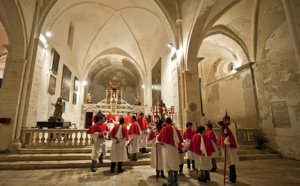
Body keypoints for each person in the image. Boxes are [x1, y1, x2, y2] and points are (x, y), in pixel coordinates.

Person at [158, 117, 183, 186]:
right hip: (175, 149)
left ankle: (170, 182)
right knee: (175, 164)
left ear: (166, 121)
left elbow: (159, 138)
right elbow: (180, 140)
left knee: (169, 164)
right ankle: (176, 181)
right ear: (171, 121)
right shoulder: (176, 129)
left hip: (168, 148)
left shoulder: (164, 129)